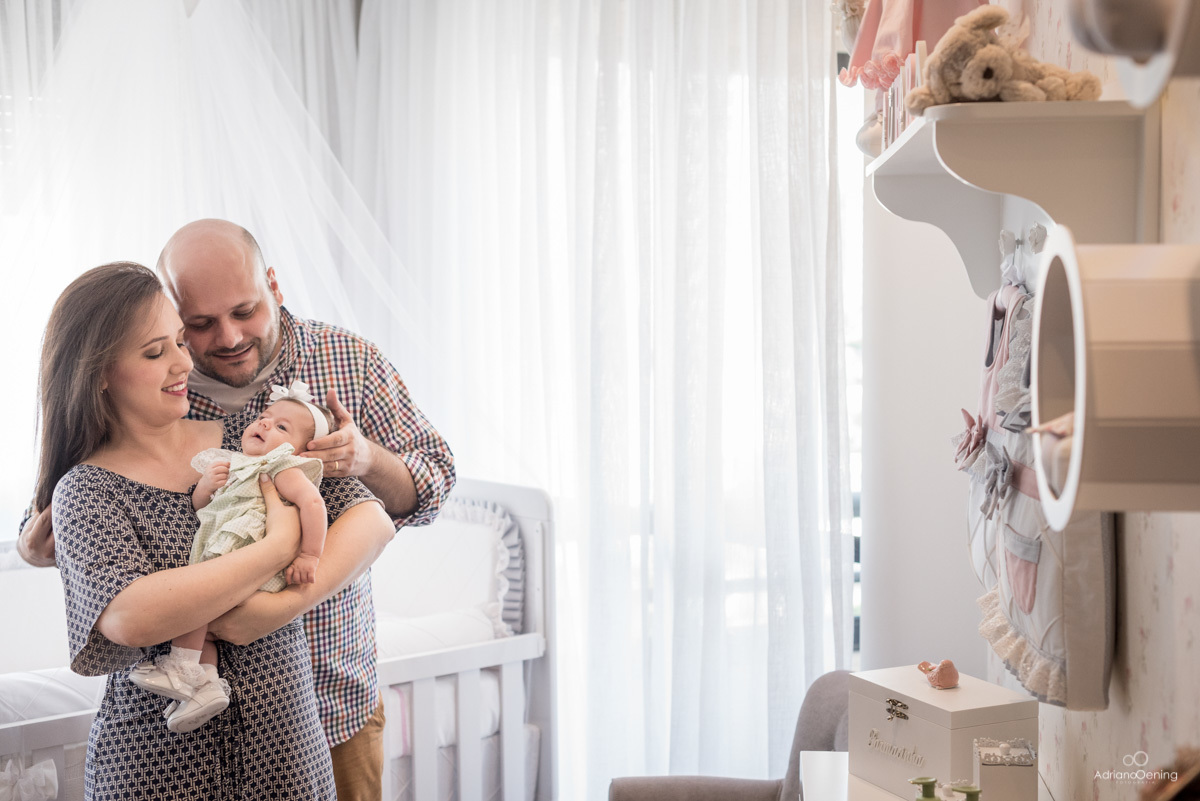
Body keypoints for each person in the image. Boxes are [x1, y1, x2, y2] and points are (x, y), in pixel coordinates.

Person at [19, 218, 456, 801]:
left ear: (273, 285)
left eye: (242, 312)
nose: (219, 341)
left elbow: (378, 512)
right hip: (164, 764)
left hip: (315, 708)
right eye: (191, 329)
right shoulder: (125, 447)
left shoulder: (290, 399)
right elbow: (114, 602)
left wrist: (361, 466)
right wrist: (278, 547)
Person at [127, 382, 334, 734]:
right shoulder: (234, 462)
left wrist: (309, 555)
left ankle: (181, 668)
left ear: (299, 451)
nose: (266, 425)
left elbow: (313, 504)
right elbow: (200, 507)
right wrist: (207, 484)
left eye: (282, 427)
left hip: (245, 553)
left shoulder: (282, 467)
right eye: (266, 418)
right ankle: (205, 687)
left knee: (197, 606)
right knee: (205, 628)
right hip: (226, 550)